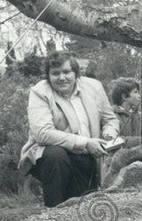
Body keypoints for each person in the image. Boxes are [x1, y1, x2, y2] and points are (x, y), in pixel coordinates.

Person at [18, 51, 120, 207]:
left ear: (76, 73)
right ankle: (53, 214)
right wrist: (85, 142)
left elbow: (110, 119)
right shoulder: (40, 92)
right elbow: (42, 133)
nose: (61, 77)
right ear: (48, 76)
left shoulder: (94, 86)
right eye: (55, 73)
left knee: (82, 204)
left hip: (87, 157)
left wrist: (108, 135)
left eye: (66, 72)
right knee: (56, 155)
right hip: (50, 156)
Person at [110, 77, 142, 148]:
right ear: (124, 97)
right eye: (135, 92)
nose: (139, 96)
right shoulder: (111, 116)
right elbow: (114, 141)